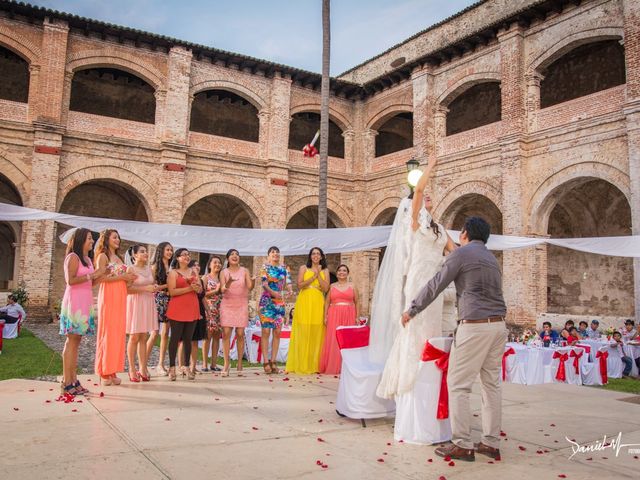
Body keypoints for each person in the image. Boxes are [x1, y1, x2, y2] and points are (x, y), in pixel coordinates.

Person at [402, 216, 507, 462]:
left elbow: (437, 284)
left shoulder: (461, 254)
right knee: (491, 385)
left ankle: (462, 443)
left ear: (465, 234)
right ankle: (491, 443)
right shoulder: (492, 259)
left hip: (475, 326)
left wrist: (413, 308)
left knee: (458, 384)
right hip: (498, 325)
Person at [377, 158, 457, 398]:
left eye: (430, 197)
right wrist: (431, 165)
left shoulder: (439, 229)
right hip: (418, 281)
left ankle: (428, 383)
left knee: (430, 333)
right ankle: (409, 386)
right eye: (424, 197)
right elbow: (420, 188)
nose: (427, 197)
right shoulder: (414, 224)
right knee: (415, 331)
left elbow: (456, 253)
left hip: (436, 285)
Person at [59, 228, 105, 395]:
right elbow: (70, 281)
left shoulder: (87, 259)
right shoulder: (73, 257)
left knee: (77, 341)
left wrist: (103, 273)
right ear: (80, 241)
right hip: (74, 303)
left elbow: (91, 284)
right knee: (71, 340)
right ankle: (66, 381)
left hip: (85, 302)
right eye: (89, 239)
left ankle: (74, 378)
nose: (92, 241)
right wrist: (91, 276)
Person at [94, 229, 137, 386]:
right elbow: (99, 278)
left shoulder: (118, 258)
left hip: (120, 296)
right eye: (114, 237)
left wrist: (129, 279)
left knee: (117, 334)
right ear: (106, 239)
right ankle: (104, 371)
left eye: (118, 237)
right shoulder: (102, 256)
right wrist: (122, 277)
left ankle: (113, 370)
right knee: (107, 332)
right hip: (108, 295)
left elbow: (122, 279)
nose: (117, 239)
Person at [286, 247, 330, 374]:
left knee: (317, 331)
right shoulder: (303, 268)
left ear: (321, 257)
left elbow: (326, 288)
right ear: (310, 256)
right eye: (313, 254)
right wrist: (314, 276)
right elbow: (300, 285)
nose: (315, 256)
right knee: (304, 331)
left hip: (317, 299)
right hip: (304, 299)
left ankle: (315, 365)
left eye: (318, 254)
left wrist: (319, 274)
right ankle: (301, 363)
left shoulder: (325, 270)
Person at [166, 248, 201, 381]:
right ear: (178, 258)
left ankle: (186, 367)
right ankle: (172, 367)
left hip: (192, 306)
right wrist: (189, 288)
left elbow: (199, 289)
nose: (187, 257)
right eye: (184, 255)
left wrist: (197, 287)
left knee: (188, 339)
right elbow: (172, 292)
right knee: (175, 338)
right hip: (177, 308)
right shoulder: (173, 273)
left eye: (188, 255)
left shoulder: (194, 271)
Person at [125, 245, 158, 382]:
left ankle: (143, 368)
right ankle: (132, 369)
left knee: (144, 336)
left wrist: (154, 288)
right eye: (142, 251)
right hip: (136, 302)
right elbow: (127, 289)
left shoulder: (150, 269)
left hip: (148, 302)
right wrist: (145, 288)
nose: (145, 253)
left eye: (146, 251)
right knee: (134, 336)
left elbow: (152, 284)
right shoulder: (131, 269)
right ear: (135, 255)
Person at [319, 264, 359, 374]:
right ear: (337, 273)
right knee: (334, 339)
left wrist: (357, 317)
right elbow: (327, 302)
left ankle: (346, 366)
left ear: (348, 273)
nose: (342, 272)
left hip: (349, 313)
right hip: (334, 314)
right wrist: (325, 316)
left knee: (347, 340)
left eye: (344, 270)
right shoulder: (332, 286)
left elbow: (357, 302)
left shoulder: (353, 286)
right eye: (340, 270)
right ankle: (333, 365)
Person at [220, 249, 255, 377]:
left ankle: (239, 363)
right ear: (228, 258)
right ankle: (226, 364)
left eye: (237, 255)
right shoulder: (224, 272)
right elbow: (222, 290)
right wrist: (228, 282)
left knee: (240, 333)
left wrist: (254, 280)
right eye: (232, 255)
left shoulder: (245, 271)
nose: (235, 256)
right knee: (226, 333)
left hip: (241, 304)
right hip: (227, 304)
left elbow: (250, 287)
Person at [258, 246, 293, 374]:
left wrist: (289, 290)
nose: (275, 254)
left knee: (277, 332)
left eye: (277, 252)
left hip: (279, 303)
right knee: (266, 331)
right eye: (273, 252)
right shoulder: (265, 268)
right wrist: (274, 293)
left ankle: (273, 361)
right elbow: (264, 284)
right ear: (268, 255)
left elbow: (288, 282)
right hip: (266, 302)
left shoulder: (284, 268)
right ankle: (266, 361)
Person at [147, 242, 173, 376]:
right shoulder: (155, 267)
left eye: (171, 250)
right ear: (161, 250)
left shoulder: (172, 267)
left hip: (170, 300)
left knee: (165, 333)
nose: (170, 252)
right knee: (154, 333)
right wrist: (167, 286)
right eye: (167, 249)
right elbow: (153, 286)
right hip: (157, 300)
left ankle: (161, 364)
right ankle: (143, 364)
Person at [186, 259, 207, 375]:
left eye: (198, 265)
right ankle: (183, 366)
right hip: (189, 309)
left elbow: (202, 296)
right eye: (194, 265)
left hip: (200, 310)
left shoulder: (201, 281)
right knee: (185, 340)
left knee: (195, 341)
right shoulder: (188, 278)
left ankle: (193, 366)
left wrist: (208, 311)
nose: (197, 267)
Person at [202, 256, 223, 372]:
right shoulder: (206, 278)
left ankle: (214, 364)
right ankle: (205, 364)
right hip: (209, 309)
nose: (218, 265)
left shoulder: (222, 279)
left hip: (221, 310)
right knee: (208, 336)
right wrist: (216, 290)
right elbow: (202, 294)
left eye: (219, 263)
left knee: (217, 337)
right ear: (210, 265)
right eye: (215, 262)